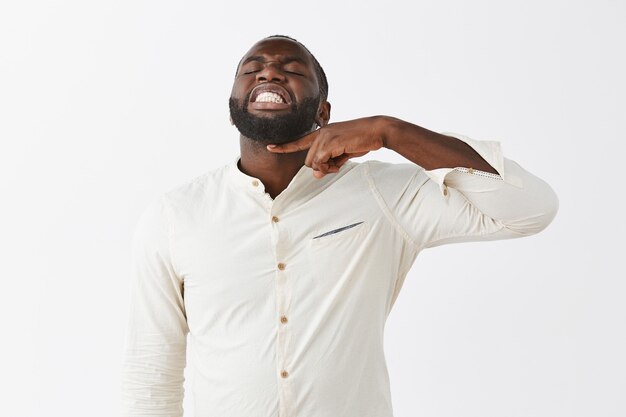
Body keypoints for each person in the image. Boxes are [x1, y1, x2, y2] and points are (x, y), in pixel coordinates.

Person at [121, 34, 558, 417]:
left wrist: (390, 131)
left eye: (291, 70)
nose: (268, 73)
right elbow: (152, 370)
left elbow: (530, 208)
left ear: (324, 111)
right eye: (251, 69)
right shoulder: (175, 216)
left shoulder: (384, 196)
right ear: (233, 108)